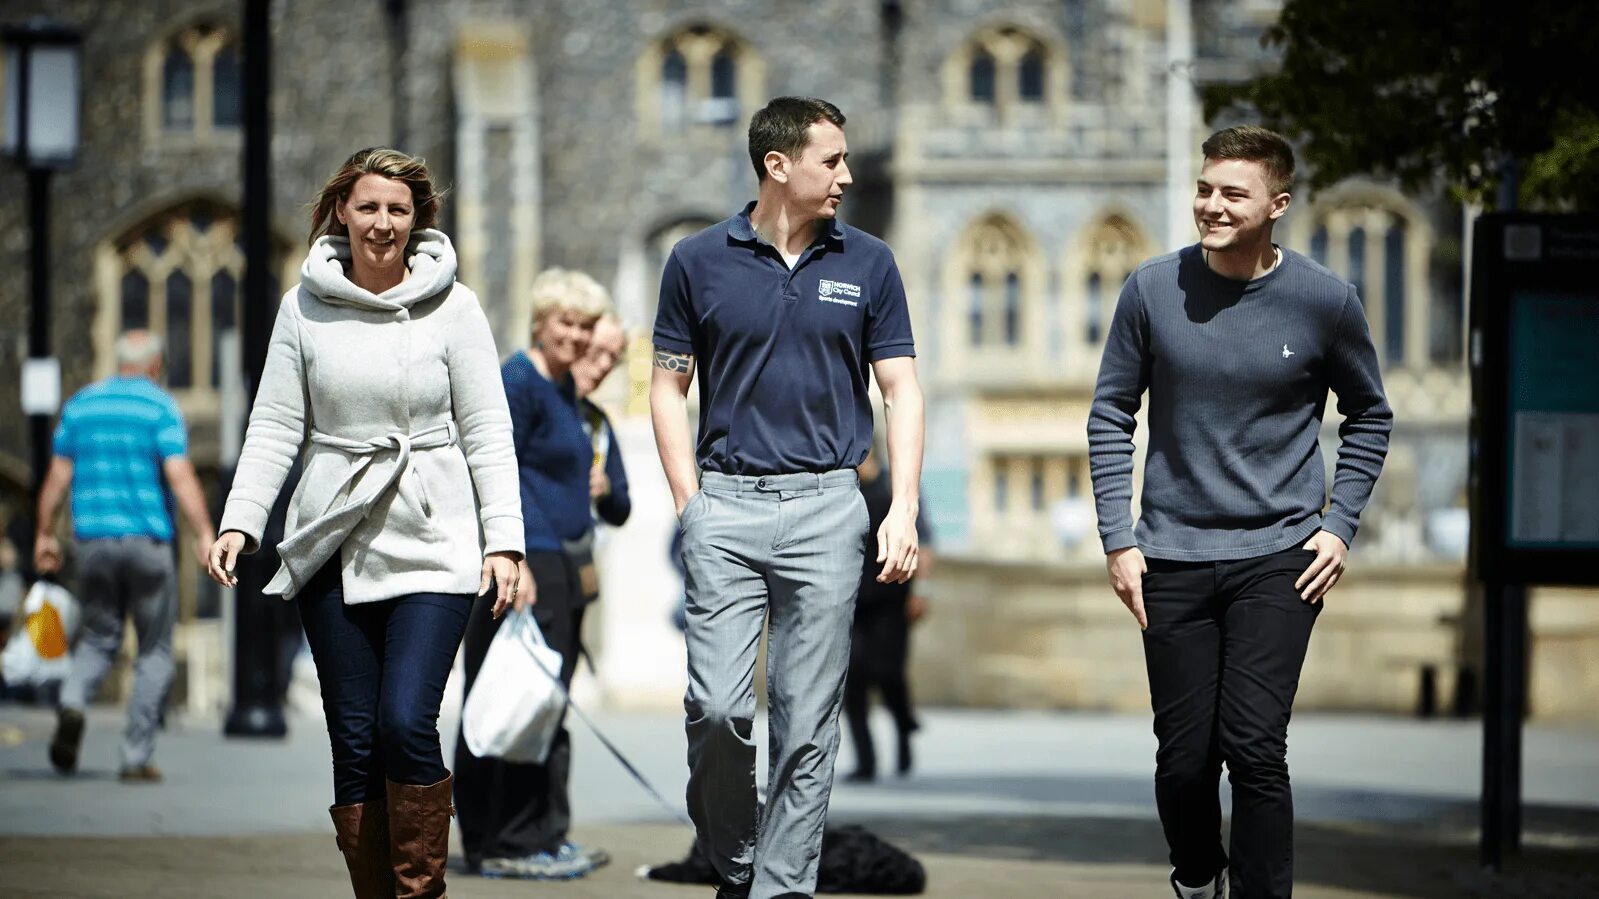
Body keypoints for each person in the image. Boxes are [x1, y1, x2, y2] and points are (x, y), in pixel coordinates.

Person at [206, 147, 525, 899]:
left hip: (433, 534)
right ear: (341, 212)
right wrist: (240, 520)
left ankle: (419, 893)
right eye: (369, 207)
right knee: (352, 741)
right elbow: (277, 422)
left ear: (417, 222)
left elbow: (486, 427)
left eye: (398, 210)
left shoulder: (456, 305)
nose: (382, 223)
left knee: (405, 719)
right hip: (332, 537)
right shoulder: (303, 304)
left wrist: (503, 538)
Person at [1087, 126, 1392, 899]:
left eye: (1231, 193)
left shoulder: (1325, 300)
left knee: (1255, 748)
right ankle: (1196, 876)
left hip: (1280, 553)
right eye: (1204, 188)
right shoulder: (1152, 289)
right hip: (1172, 554)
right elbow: (1109, 413)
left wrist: (1339, 521)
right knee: (1184, 759)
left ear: (1277, 205)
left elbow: (1369, 416)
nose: (1209, 205)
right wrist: (1118, 539)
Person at [651, 96, 925, 899]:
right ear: (778, 165)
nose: (845, 174)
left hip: (828, 507)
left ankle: (777, 889)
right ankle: (737, 867)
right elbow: (668, 390)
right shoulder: (695, 260)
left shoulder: (869, 261)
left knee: (806, 725)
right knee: (715, 710)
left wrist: (900, 505)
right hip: (724, 506)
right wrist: (689, 502)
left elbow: (901, 389)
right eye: (831, 160)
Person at [453, 267, 610, 880]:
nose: (575, 336)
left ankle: (535, 834)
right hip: (526, 563)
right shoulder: (517, 379)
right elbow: (498, 466)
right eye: (566, 323)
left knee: (540, 706)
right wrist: (516, 553)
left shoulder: (563, 387)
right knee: (506, 702)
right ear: (540, 322)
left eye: (585, 326)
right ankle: (500, 840)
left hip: (561, 566)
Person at [33, 330, 216, 782]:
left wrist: (43, 536)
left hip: (92, 541)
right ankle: (136, 756)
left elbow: (57, 479)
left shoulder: (82, 405)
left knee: (97, 637)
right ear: (154, 366)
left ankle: (73, 704)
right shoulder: (159, 407)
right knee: (153, 648)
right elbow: (180, 474)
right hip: (148, 543)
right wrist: (204, 532)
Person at [842, 446, 932, 783]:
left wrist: (922, 591)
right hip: (852, 602)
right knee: (853, 681)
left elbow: (925, 543)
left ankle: (904, 728)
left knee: (888, 674)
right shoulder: (845, 492)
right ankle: (866, 762)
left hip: (892, 601)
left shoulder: (898, 491)